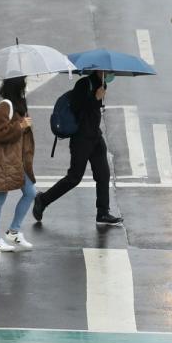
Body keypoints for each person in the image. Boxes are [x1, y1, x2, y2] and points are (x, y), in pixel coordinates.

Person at [33, 71, 123, 226]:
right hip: (81, 138)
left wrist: (98, 98)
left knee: (103, 174)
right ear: (99, 70)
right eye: (108, 71)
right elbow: (77, 107)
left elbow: (94, 110)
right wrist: (95, 97)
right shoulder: (83, 84)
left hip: (95, 136)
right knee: (74, 177)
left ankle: (103, 212)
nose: (110, 74)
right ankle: (43, 199)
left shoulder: (102, 84)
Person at [0, 76, 36, 251]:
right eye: (23, 85)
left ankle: (14, 231)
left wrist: (23, 126)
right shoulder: (5, 106)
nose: (25, 89)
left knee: (30, 192)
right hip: (3, 160)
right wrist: (20, 126)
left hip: (16, 160)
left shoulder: (18, 105)